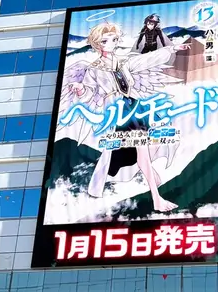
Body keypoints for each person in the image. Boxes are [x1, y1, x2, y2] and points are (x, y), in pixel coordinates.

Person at [58, 20, 178, 211]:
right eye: (106, 41)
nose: (111, 43)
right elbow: (89, 93)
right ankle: (157, 199)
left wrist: (171, 49)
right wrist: (80, 89)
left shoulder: (121, 61)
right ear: (98, 44)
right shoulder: (94, 69)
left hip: (135, 106)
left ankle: (149, 174)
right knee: (143, 152)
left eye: (114, 39)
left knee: (152, 145)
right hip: (118, 111)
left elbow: (144, 61)